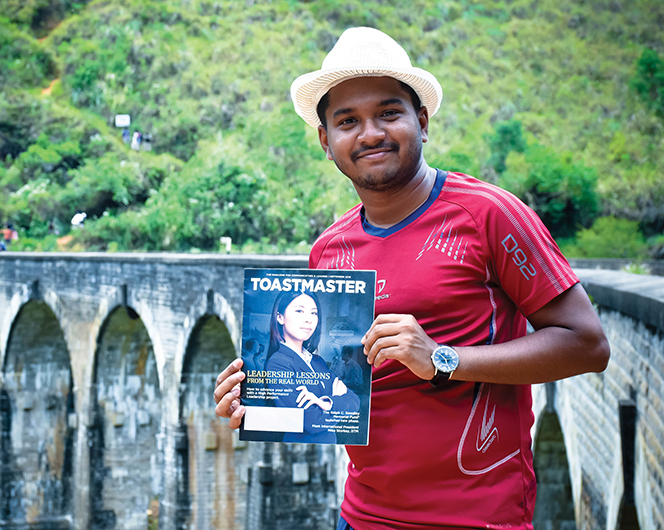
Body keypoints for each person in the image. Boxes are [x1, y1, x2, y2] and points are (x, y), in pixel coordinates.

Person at [214, 26, 610, 529]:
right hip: (362, 516)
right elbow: (336, 386)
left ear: (421, 122)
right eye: (347, 120)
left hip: (477, 517)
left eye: (388, 113)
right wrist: (265, 395)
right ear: (325, 140)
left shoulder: (489, 215)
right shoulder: (329, 250)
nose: (370, 133)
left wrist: (442, 359)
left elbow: (588, 344)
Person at [260, 291, 359, 444]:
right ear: (280, 317)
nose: (308, 320)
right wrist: (338, 400)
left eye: (314, 313)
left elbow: (354, 400)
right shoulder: (277, 363)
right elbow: (312, 422)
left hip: (330, 445)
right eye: (299, 311)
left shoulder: (317, 361)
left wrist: (326, 403)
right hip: (299, 449)